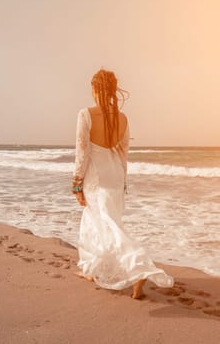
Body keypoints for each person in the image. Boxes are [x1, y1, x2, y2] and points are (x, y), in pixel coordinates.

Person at [72, 69, 174, 299]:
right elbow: (123, 154)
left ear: (96, 88)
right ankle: (91, 269)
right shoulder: (123, 118)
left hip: (96, 177)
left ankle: (139, 266)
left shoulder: (85, 114)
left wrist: (77, 184)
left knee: (107, 224)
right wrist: (123, 182)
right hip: (116, 176)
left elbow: (82, 152)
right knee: (102, 222)